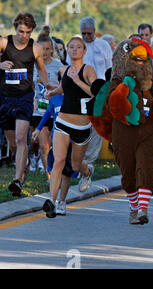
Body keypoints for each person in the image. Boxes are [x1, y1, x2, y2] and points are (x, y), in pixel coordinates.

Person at [42, 36, 97, 218]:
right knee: (58, 160)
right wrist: (53, 91)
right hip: (63, 121)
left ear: (84, 51)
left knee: (74, 165)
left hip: (81, 126)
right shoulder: (63, 69)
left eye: (78, 47)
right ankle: (51, 200)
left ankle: (87, 171)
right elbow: (64, 88)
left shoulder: (88, 70)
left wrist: (79, 81)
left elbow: (96, 92)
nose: (74, 50)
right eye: (71, 47)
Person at [0, 12, 55, 196]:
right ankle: (25, 164)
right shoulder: (4, 43)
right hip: (5, 98)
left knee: (21, 139)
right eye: (21, 31)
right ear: (15, 28)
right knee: (13, 144)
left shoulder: (35, 48)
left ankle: (17, 181)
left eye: (28, 32)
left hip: (25, 97)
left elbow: (41, 68)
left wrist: (47, 85)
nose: (24, 36)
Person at [73, 16, 113, 192]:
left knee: (96, 127)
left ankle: (89, 164)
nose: (87, 36)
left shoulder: (103, 46)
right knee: (81, 127)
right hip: (81, 91)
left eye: (89, 33)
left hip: (100, 92)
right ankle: (80, 165)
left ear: (94, 31)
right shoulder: (77, 46)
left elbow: (110, 69)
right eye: (83, 34)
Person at [31, 36, 64, 178]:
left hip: (54, 109)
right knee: (40, 143)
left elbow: (65, 86)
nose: (43, 52)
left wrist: (54, 91)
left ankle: (52, 175)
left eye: (46, 49)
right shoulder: (32, 65)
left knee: (49, 145)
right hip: (37, 109)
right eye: (41, 49)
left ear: (51, 50)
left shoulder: (58, 65)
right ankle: (47, 173)